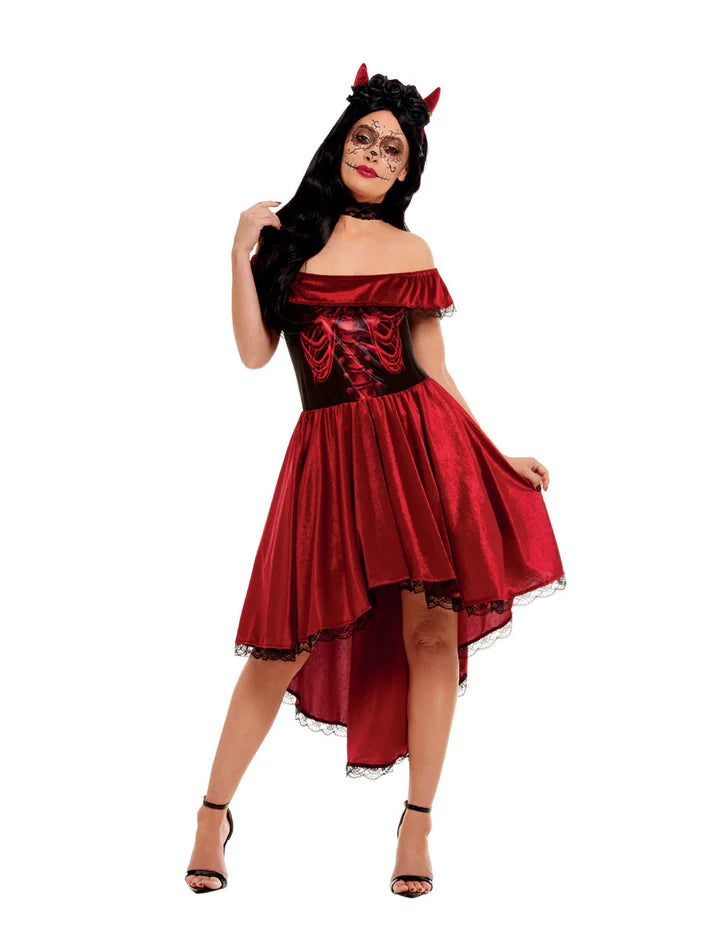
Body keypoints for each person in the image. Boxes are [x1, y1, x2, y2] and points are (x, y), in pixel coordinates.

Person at [185, 64, 567, 898]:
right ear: (340, 143)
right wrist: (236, 253)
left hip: (420, 455)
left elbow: (434, 370)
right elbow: (253, 354)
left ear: (406, 171)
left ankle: (416, 824)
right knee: (280, 644)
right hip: (329, 463)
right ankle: (212, 813)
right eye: (364, 138)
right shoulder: (288, 240)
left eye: (393, 149)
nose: (373, 155)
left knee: (430, 636)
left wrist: (494, 454)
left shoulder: (412, 251)